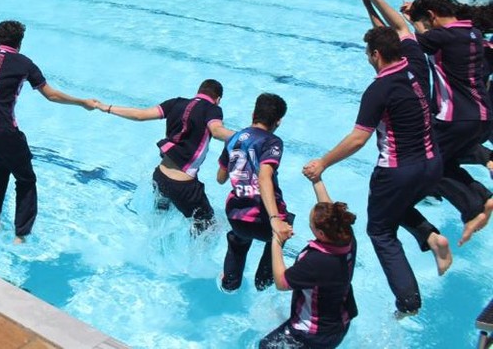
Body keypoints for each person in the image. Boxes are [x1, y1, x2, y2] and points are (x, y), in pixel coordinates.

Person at [304, 0, 450, 317]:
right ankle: (431, 238)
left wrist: (322, 164)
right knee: (394, 210)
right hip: (433, 165)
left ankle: (408, 302)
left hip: (398, 172)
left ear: (375, 56)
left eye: (370, 54)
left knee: (380, 231)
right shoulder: (415, 63)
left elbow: (358, 138)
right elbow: (398, 27)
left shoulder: (379, 90)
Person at [0, 20, 98, 242]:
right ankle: (21, 234)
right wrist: (82, 102)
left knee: (0, 167)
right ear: (20, 42)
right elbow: (51, 95)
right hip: (5, 131)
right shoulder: (25, 64)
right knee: (25, 179)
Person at [404, 0, 493, 244]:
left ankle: (474, 207)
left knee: (427, 163)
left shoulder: (446, 37)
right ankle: (481, 197)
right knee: (445, 161)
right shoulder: (472, 33)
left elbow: (405, 38)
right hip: (482, 117)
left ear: (431, 15)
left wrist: (374, 1)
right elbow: (430, 39)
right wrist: (416, 20)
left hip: (458, 117)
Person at [98, 79, 233, 234]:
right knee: (209, 228)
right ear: (218, 100)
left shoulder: (176, 103)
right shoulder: (213, 109)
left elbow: (140, 115)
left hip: (160, 177)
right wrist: (244, 136)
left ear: (198, 91)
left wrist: (107, 107)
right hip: (183, 187)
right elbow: (216, 131)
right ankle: (190, 258)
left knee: (159, 224)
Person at [263, 177, 357, 349]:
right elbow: (332, 212)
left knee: (265, 346)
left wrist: (276, 241)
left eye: (311, 225)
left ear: (320, 233)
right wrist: (317, 180)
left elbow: (282, 283)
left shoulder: (317, 261)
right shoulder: (347, 239)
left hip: (310, 333)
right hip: (339, 325)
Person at [218, 93, 294, 292]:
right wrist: (275, 218)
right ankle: (264, 283)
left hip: (237, 217)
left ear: (253, 114)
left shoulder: (233, 138)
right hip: (264, 223)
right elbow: (264, 176)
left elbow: (220, 178)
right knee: (284, 224)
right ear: (278, 122)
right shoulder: (272, 141)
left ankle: (229, 283)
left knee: (238, 240)